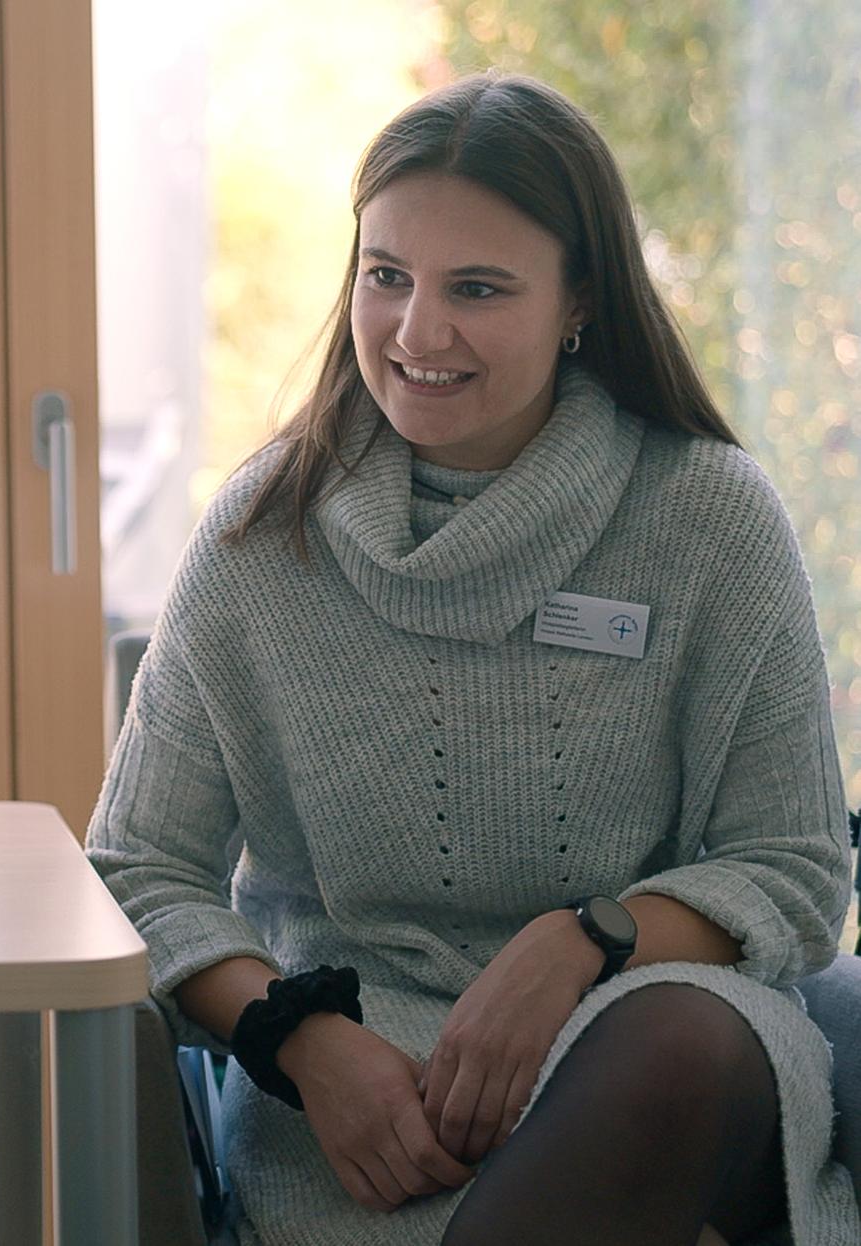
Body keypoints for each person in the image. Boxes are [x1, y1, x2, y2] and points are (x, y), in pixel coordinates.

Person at [89, 72, 856, 1246]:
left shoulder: (707, 516)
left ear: (579, 298)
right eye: (385, 276)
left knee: (677, 1040)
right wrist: (299, 1038)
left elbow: (795, 869)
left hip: (651, 1060)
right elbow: (137, 870)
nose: (416, 332)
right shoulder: (260, 535)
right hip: (363, 1103)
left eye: (478, 288)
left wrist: (584, 940)